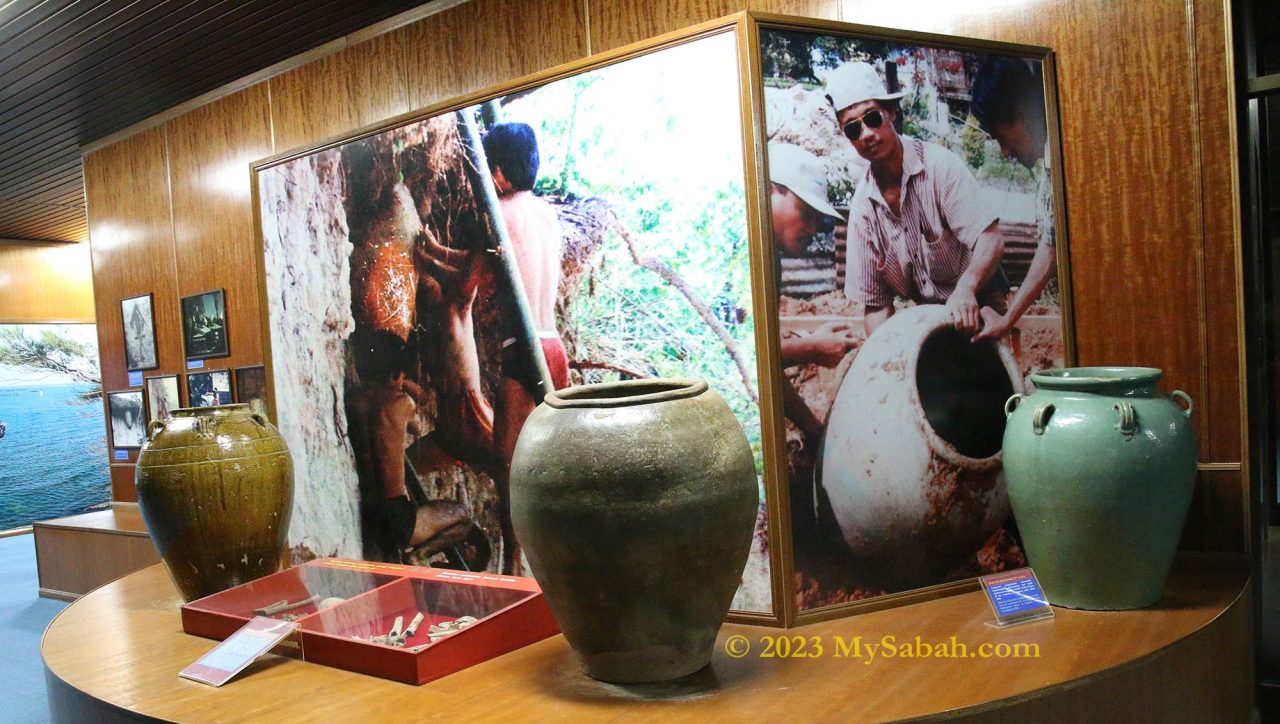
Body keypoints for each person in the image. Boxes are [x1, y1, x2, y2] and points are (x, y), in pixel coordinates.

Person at [827, 62, 1006, 337]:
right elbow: (876, 306)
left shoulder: (939, 167)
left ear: (891, 113)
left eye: (872, 118)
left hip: (981, 301)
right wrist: (881, 357)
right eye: (853, 129)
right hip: (929, 319)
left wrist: (967, 286)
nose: (866, 135)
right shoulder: (864, 211)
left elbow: (991, 239)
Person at [482, 122, 569, 574]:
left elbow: (469, 283)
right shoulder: (547, 213)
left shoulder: (500, 216)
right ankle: (559, 562)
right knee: (556, 466)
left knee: (508, 471)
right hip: (553, 346)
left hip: (521, 348)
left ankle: (513, 569)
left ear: (496, 172)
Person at [769, 141, 857, 439]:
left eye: (818, 219)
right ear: (771, 190)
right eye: (805, 211)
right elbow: (745, 354)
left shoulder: (772, 262)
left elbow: (770, 372)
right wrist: (811, 348)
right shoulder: (738, 253)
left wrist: (816, 434)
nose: (813, 227)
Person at [968, 56, 1055, 343]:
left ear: (1022, 115)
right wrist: (1009, 317)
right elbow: (1051, 244)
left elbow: (1052, 249)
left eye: (1003, 138)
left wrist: (1009, 318)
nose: (1005, 153)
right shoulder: (1048, 165)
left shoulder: (1063, 159)